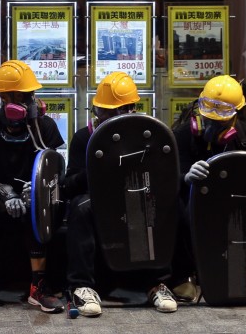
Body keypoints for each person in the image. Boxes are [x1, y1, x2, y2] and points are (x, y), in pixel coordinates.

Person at [60, 71, 177, 317]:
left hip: (136, 193)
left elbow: (163, 178)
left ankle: (156, 283)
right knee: (80, 208)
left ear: (131, 109)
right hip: (100, 200)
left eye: (116, 111)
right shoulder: (85, 137)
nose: (108, 117)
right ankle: (81, 285)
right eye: (103, 111)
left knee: (161, 204)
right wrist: (95, 168)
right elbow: (69, 184)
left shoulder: (149, 136)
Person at [171, 75, 246, 303]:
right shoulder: (183, 134)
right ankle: (184, 276)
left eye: (220, 120)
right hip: (198, 201)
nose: (213, 124)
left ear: (236, 113)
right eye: (208, 117)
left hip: (239, 201)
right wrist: (185, 176)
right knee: (174, 206)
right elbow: (168, 179)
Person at [0, 60, 65, 313]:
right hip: (0, 196)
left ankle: (38, 285)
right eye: (22, 96)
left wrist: (36, 189)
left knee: (38, 200)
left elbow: (56, 172)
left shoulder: (45, 127)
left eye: (29, 96)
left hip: (33, 196)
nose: (28, 101)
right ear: (4, 97)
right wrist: (3, 190)